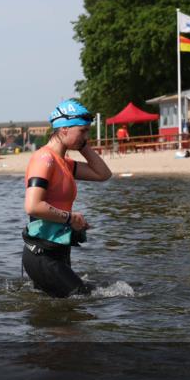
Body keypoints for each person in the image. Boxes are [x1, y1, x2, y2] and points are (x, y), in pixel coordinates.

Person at [22, 99, 112, 298]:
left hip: (58, 250)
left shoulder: (64, 163)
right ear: (63, 130)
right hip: (41, 253)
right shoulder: (44, 159)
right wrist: (71, 218)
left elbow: (103, 174)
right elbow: (32, 206)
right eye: (83, 131)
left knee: (62, 318)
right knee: (82, 300)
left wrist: (82, 145)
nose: (86, 137)